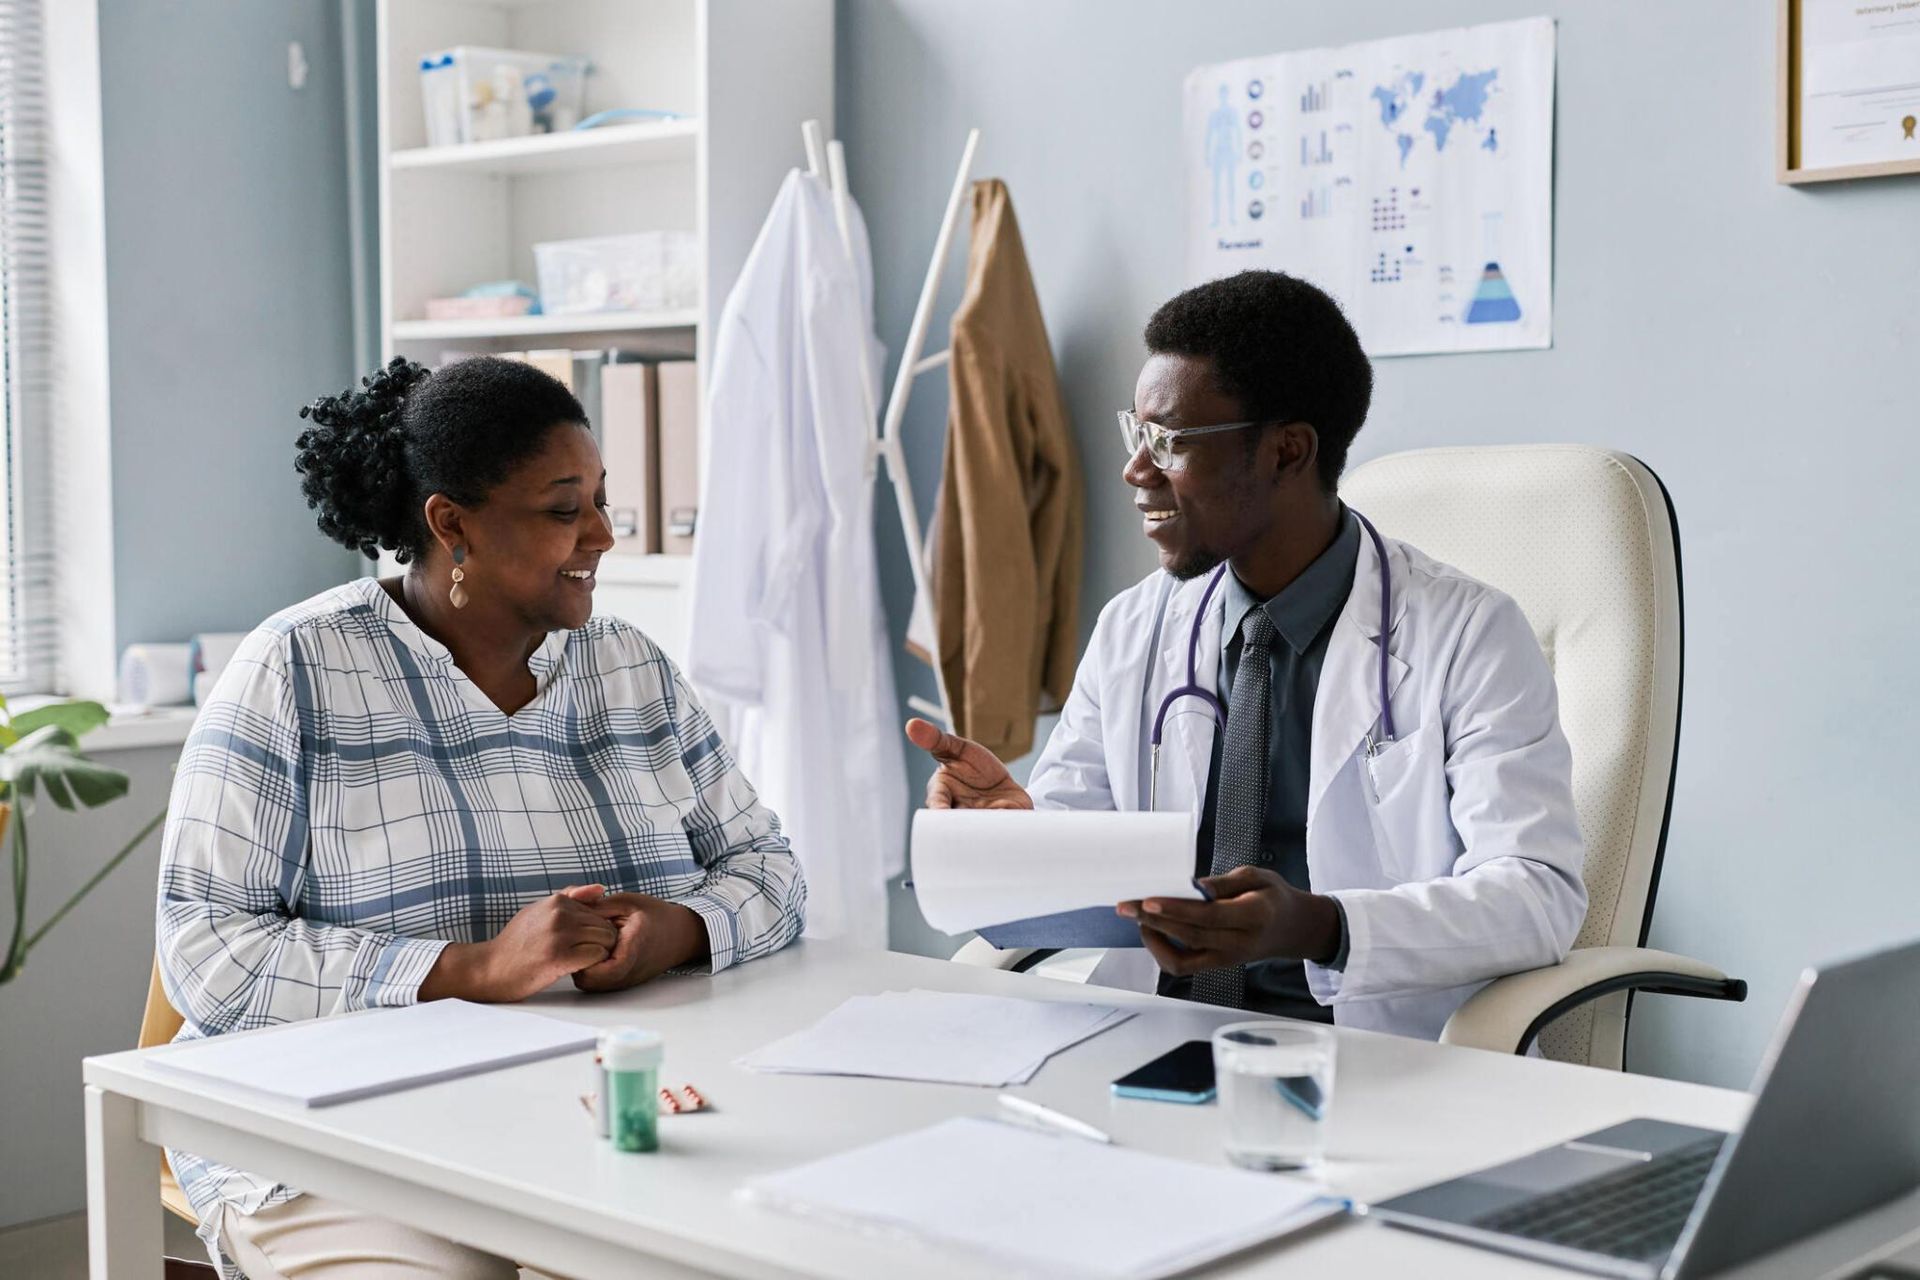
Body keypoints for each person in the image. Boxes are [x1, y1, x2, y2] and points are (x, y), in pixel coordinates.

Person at [157, 356, 807, 1280]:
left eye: (601, 501)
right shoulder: (297, 669)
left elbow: (768, 866)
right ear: (450, 524)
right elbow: (206, 950)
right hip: (332, 1144)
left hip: (579, 1112)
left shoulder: (630, 669)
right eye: (562, 509)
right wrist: (467, 971)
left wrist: (682, 927)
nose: (602, 536)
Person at [908, 270, 1585, 1042]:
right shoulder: (1135, 627)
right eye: (1139, 433)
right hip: (1156, 1036)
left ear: (1287, 452)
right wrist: (1019, 829)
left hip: (1367, 1053)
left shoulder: (1469, 635)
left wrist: (1319, 926)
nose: (1136, 471)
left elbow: (1538, 895)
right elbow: (1088, 846)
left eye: (1170, 444)